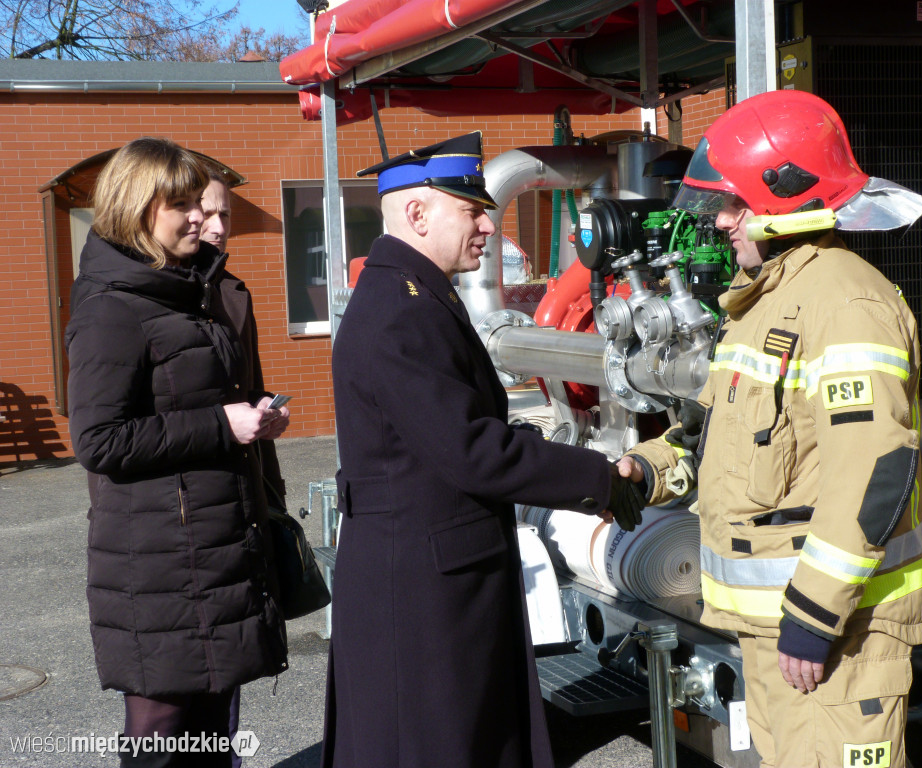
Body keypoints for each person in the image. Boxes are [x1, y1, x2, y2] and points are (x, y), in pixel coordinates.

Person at [618, 90, 922, 768]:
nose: (723, 221)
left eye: (733, 203)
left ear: (786, 197)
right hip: (771, 633)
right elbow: (709, 437)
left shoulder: (847, 303)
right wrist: (644, 471)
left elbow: (874, 472)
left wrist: (815, 617)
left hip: (836, 639)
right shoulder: (760, 305)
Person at [322, 131, 646, 768]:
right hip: (421, 585)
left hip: (428, 570)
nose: (488, 224)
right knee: (438, 744)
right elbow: (472, 450)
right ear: (417, 214)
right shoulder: (401, 310)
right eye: (470, 210)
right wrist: (601, 477)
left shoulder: (412, 294)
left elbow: (445, 434)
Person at [66, 137, 291, 768]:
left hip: (211, 545)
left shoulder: (184, 292)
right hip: (161, 560)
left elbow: (188, 402)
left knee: (212, 734)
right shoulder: (113, 307)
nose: (202, 217)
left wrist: (252, 417)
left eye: (203, 202)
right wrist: (223, 425)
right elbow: (99, 440)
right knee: (162, 737)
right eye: (184, 203)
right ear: (138, 206)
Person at [198, 169, 288, 768]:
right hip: (178, 512)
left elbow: (247, 390)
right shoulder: (130, 300)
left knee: (228, 666)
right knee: (170, 698)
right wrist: (220, 423)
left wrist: (264, 425)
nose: (217, 227)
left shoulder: (233, 292)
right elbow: (104, 435)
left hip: (239, 500)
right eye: (206, 212)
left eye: (225, 214)